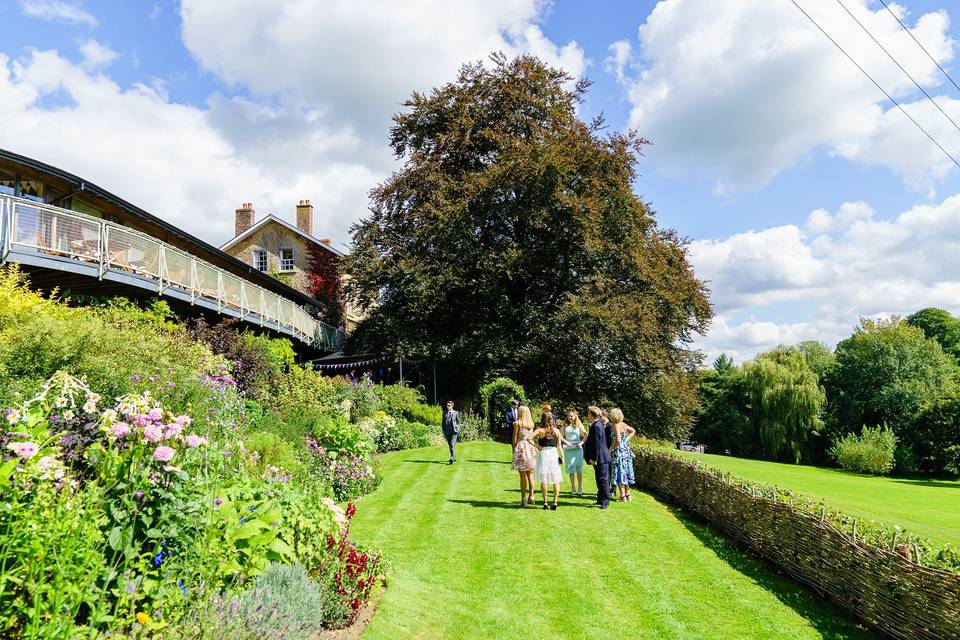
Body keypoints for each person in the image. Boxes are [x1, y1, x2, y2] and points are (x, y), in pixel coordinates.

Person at [529, 404, 564, 510]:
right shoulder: (556, 431)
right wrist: (562, 457)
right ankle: (555, 502)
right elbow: (559, 446)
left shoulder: (540, 430)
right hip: (553, 453)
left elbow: (529, 438)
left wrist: (537, 446)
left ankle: (545, 502)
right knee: (555, 479)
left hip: (544, 453)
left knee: (544, 479)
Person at [583, 406, 612, 509]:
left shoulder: (596, 426)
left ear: (591, 414)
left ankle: (605, 501)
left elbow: (597, 444)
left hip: (601, 458)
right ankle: (600, 499)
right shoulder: (596, 424)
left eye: (588, 413)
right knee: (599, 479)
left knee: (603, 480)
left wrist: (594, 458)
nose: (587, 415)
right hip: (600, 458)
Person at [511, 405, 537, 507]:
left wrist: (514, 450)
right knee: (530, 475)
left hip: (521, 448)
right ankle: (532, 497)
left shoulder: (518, 423)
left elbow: (514, 439)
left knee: (522, 475)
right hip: (530, 448)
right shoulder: (531, 424)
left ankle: (523, 499)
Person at [609, 408, 636, 501]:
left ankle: (622, 496)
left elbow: (618, 440)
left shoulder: (616, 425)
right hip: (625, 451)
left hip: (618, 452)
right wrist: (626, 441)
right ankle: (628, 494)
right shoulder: (623, 424)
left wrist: (610, 449)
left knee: (619, 472)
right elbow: (633, 431)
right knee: (625, 472)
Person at [561, 409, 587, 496]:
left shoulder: (579, 424)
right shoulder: (565, 425)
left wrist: (581, 443)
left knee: (579, 469)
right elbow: (559, 436)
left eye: (571, 416)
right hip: (569, 449)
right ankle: (573, 487)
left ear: (575, 416)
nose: (570, 418)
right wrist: (566, 442)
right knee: (571, 468)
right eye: (568, 416)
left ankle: (580, 486)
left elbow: (586, 434)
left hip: (578, 448)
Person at [441, 400, 460, 465]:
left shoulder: (456, 413)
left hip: (454, 432)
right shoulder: (444, 413)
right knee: (450, 445)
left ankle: (452, 457)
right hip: (447, 432)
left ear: (452, 406)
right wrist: (443, 430)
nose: (448, 407)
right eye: (447, 405)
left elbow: (458, 422)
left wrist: (457, 429)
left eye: (449, 406)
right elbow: (443, 422)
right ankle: (453, 456)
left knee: (452, 444)